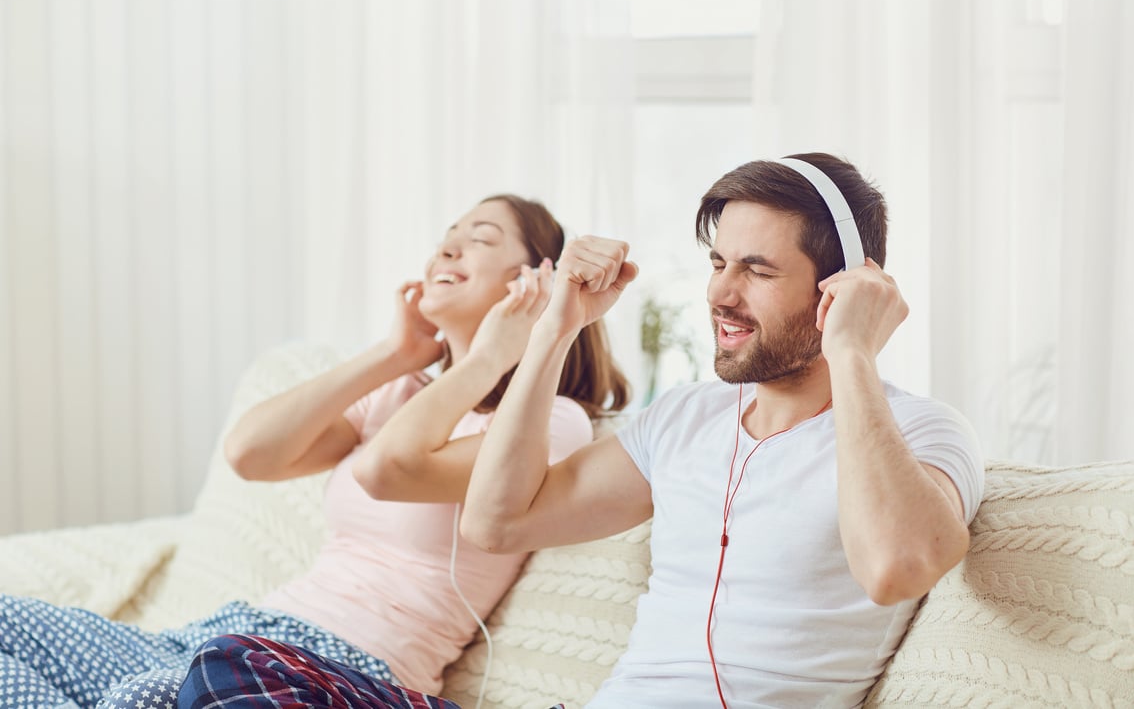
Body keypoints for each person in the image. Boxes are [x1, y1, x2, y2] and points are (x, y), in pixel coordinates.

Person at [176, 153, 983, 708]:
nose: (721, 296)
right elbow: (500, 519)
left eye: (758, 271)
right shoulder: (687, 423)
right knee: (220, 674)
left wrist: (851, 357)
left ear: (844, 288)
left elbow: (896, 566)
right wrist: (558, 327)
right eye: (717, 264)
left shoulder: (921, 434)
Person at [0, 194, 629, 709]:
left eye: (482, 237)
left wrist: (498, 354)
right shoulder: (402, 395)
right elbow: (250, 454)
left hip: (340, 668)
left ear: (531, 280)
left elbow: (389, 471)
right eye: (448, 233)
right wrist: (393, 356)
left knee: (143, 698)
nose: (447, 246)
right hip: (228, 636)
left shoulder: (549, 421)